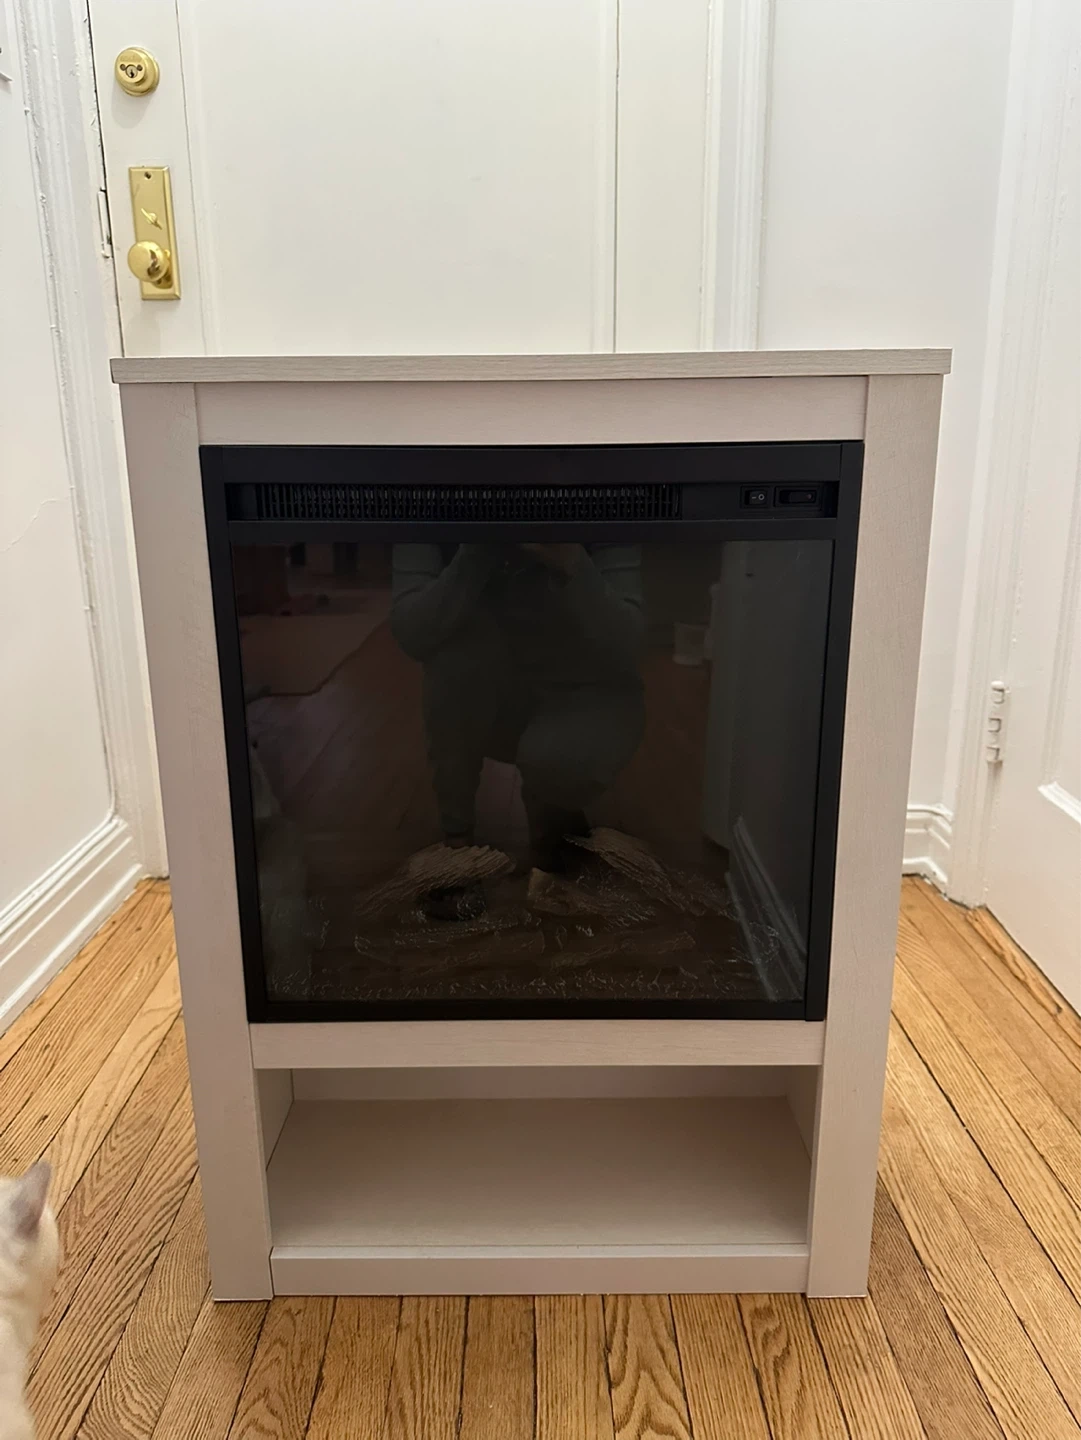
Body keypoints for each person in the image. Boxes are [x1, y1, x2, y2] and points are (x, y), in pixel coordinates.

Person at [391, 542, 646, 886]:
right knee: (454, 660)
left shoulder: (601, 511)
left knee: (559, 762)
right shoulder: (430, 510)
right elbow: (412, 632)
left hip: (583, 693)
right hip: (496, 687)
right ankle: (458, 840)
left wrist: (571, 561)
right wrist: (477, 551)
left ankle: (554, 808)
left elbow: (628, 648)